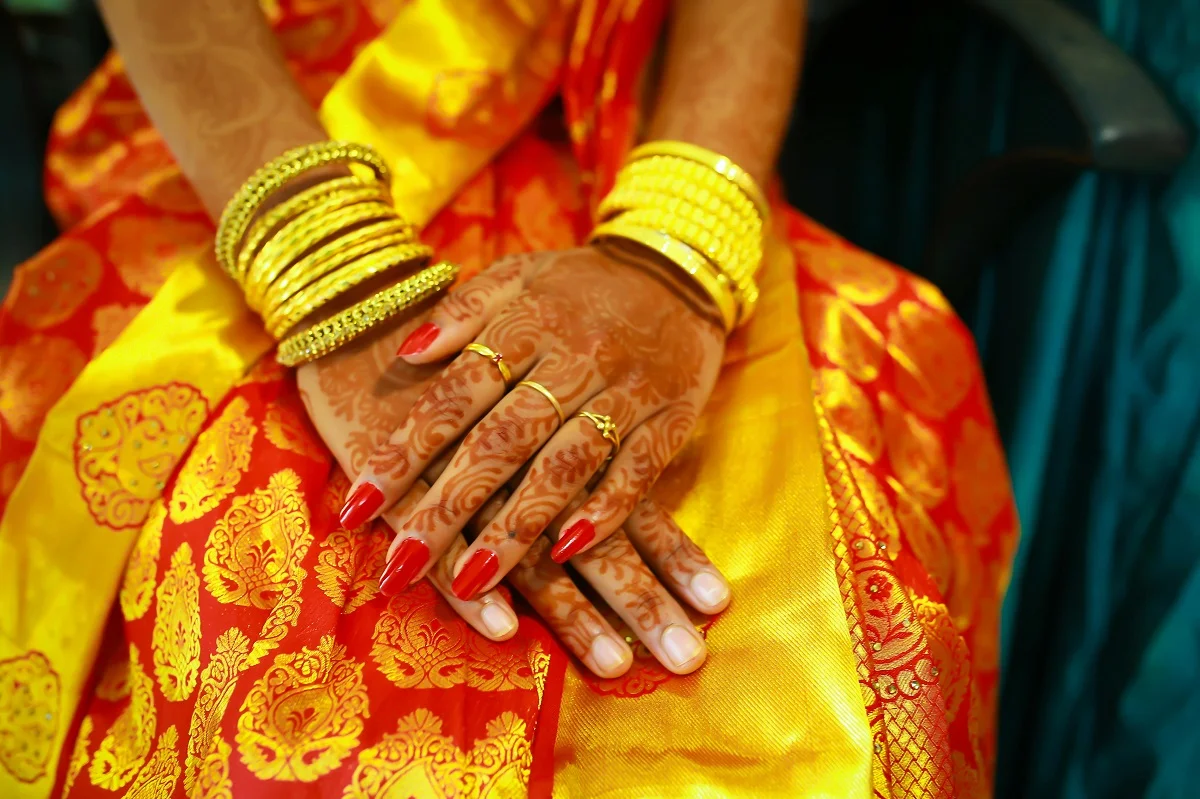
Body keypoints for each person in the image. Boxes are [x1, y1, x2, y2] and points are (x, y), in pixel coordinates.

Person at [0, 0, 1016, 796]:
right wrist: (333, 277)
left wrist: (674, 260)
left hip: (656, 137)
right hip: (267, 136)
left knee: (863, 509)